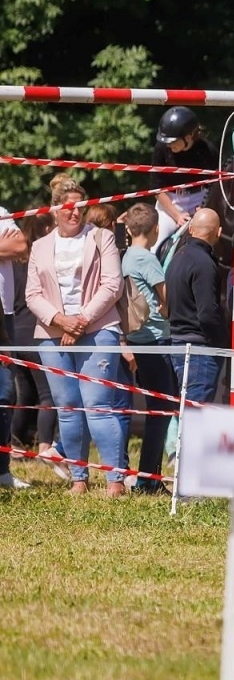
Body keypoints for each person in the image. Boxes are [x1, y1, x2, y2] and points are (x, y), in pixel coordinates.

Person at [25, 181, 129, 495]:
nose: (75, 213)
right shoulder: (40, 246)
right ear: (55, 210)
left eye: (80, 207)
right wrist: (61, 321)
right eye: (69, 207)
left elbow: (113, 286)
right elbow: (32, 294)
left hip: (97, 329)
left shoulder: (102, 237)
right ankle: (79, 478)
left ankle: (115, 481)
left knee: (98, 405)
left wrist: (81, 320)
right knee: (67, 406)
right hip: (52, 333)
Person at [120, 203, 175, 493]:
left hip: (136, 339)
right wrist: (166, 313)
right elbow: (165, 297)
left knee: (158, 407)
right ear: (156, 230)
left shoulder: (125, 256)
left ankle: (147, 476)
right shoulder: (147, 258)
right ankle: (147, 479)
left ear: (129, 229)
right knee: (162, 409)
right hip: (155, 338)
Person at [10, 214, 65, 478]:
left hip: (13, 337)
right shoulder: (39, 263)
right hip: (34, 335)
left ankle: (16, 445)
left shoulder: (12, 264)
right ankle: (45, 446)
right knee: (48, 396)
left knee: (22, 396)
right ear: (45, 228)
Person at [166, 208, 229, 408]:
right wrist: (222, 341)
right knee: (196, 416)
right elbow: (208, 313)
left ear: (191, 229)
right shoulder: (204, 263)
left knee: (189, 412)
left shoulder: (177, 257)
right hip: (199, 348)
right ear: (218, 232)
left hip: (179, 342)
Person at [151, 107, 218, 247]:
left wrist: (204, 207)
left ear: (188, 137)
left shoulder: (207, 150)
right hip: (169, 204)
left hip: (200, 200)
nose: (169, 145)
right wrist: (177, 215)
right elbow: (156, 188)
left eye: (173, 141)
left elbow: (214, 185)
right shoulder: (161, 148)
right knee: (155, 243)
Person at [0, 198, 30, 489]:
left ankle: (2, 471)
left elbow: (20, 246)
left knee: (5, 393)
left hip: (4, 315)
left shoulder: (2, 214)